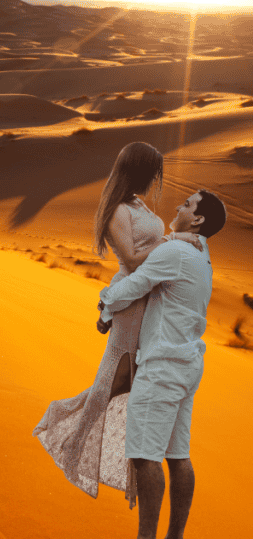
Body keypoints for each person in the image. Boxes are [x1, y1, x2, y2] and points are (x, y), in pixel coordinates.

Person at [33, 142, 202, 507]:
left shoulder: (138, 204)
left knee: (137, 380)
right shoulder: (116, 210)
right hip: (131, 300)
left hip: (151, 300)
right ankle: (71, 439)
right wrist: (175, 240)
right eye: (152, 171)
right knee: (117, 379)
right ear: (138, 170)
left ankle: (134, 463)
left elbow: (151, 252)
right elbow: (131, 258)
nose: (156, 179)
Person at [97, 189, 226, 539]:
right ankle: (175, 536)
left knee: (144, 456)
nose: (178, 207)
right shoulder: (202, 253)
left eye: (186, 204)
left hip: (162, 366)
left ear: (197, 219)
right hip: (186, 365)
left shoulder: (176, 252)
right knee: (177, 455)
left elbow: (135, 285)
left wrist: (105, 305)